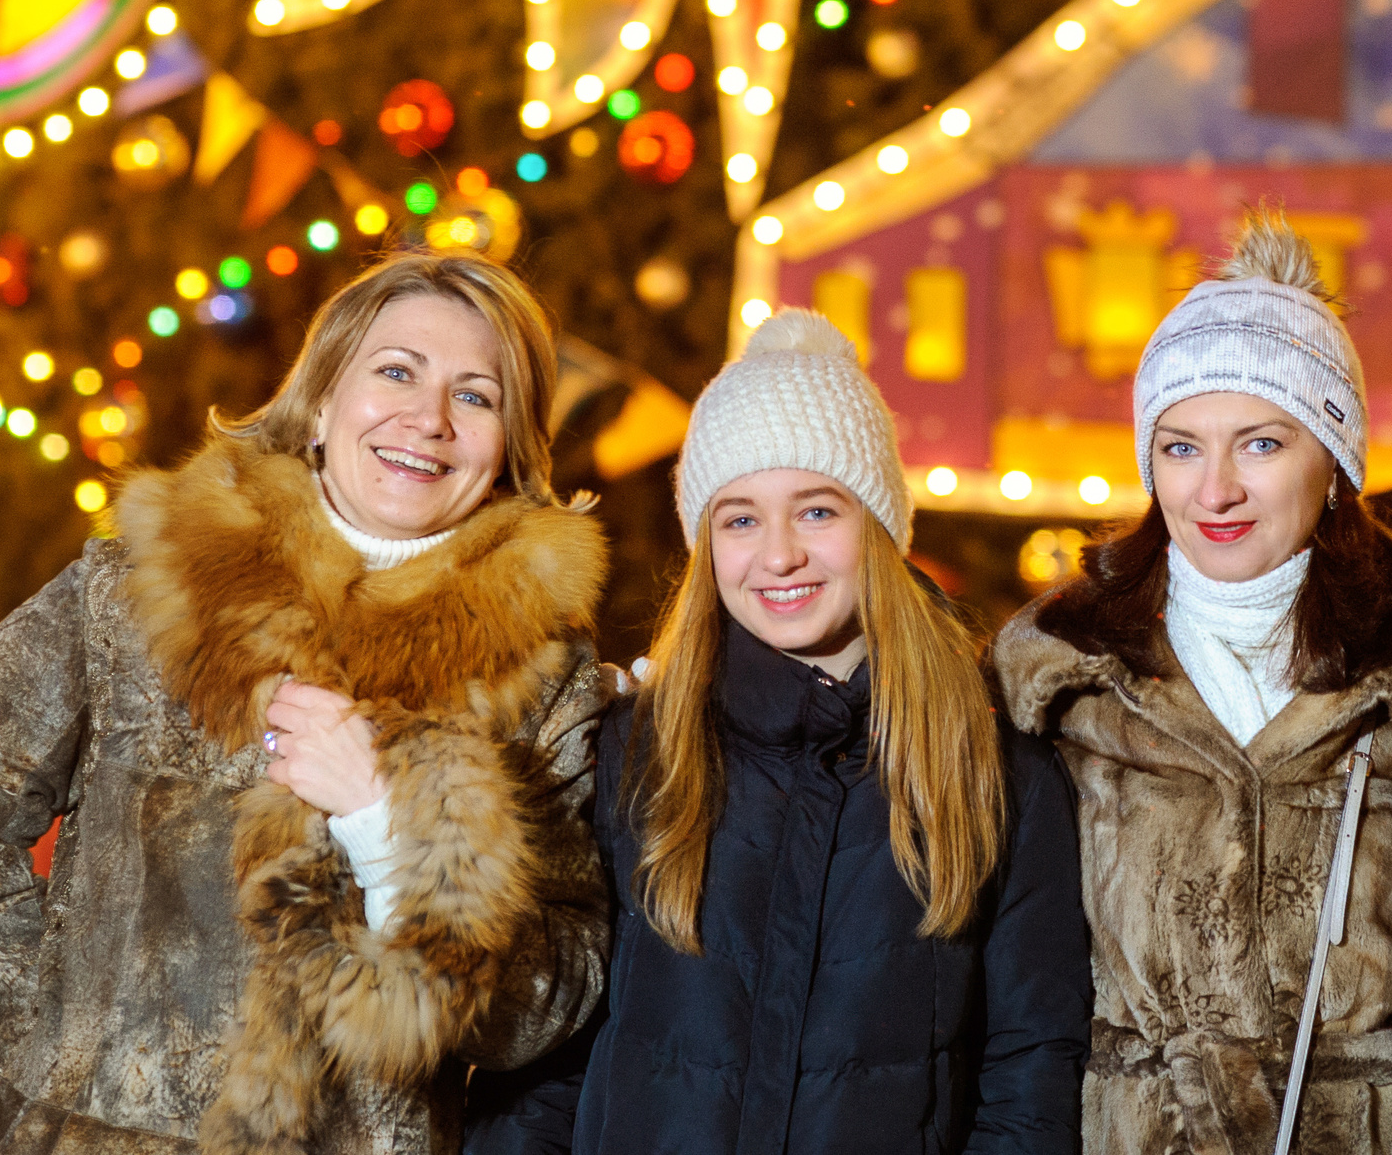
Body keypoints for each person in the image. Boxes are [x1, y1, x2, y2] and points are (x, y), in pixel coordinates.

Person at [0, 251, 612, 1155]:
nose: (428, 420)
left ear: (509, 446)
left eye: (477, 396)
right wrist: (50, 1030)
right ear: (320, 400)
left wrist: (393, 829)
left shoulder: (542, 676)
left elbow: (553, 1000)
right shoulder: (143, 591)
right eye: (396, 372)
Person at [466, 308, 1088, 1155]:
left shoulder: (994, 773)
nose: (780, 554)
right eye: (741, 519)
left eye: (819, 511)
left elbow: (1031, 1072)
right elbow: (553, 1062)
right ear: (706, 545)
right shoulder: (634, 752)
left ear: (879, 526)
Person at [996, 211, 1392, 1155]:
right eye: (1180, 446)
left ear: (1334, 462)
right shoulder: (1060, 680)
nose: (1215, 490)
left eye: (1261, 443)